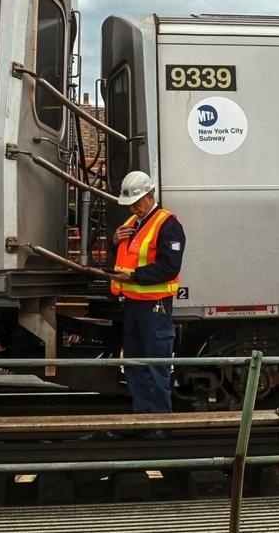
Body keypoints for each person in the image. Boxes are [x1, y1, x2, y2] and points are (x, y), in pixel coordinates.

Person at [106, 170, 185, 418]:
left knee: (156, 365)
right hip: (132, 305)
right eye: (130, 205)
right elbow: (119, 259)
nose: (133, 209)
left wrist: (135, 276)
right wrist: (113, 241)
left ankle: (159, 422)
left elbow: (169, 267)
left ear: (150, 196)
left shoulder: (168, 224)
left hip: (155, 307)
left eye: (136, 204)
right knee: (134, 363)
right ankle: (143, 416)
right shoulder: (130, 225)